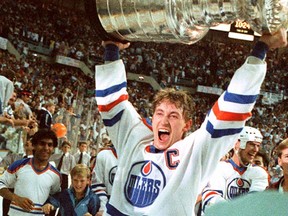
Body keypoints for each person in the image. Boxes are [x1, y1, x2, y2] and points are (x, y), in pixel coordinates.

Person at [94, 28, 287, 215]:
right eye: (160, 113)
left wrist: (261, 48)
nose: (164, 121)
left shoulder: (195, 152)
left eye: (173, 115)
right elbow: (111, 100)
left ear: (187, 125)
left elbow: (231, 109)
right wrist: (111, 47)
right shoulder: (134, 137)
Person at [201, 126, 269, 213]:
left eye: (258, 145)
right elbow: (210, 200)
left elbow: (255, 204)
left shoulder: (259, 173)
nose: (255, 149)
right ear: (237, 143)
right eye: (251, 144)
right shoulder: (219, 168)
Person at [0, 129, 61, 215]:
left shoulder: (56, 175)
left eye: (50, 145)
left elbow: (57, 195)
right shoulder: (18, 165)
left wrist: (50, 204)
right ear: (34, 145)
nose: (46, 148)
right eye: (42, 143)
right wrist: (16, 198)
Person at [0, 136, 34, 216]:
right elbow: (2, 167)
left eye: (31, 142)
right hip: (9, 194)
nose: (28, 142)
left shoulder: (36, 163)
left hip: (25, 196)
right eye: (27, 141)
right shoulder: (15, 157)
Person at [91, 135, 118, 214]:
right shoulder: (104, 155)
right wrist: (103, 207)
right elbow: (98, 186)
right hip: (108, 204)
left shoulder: (138, 157)